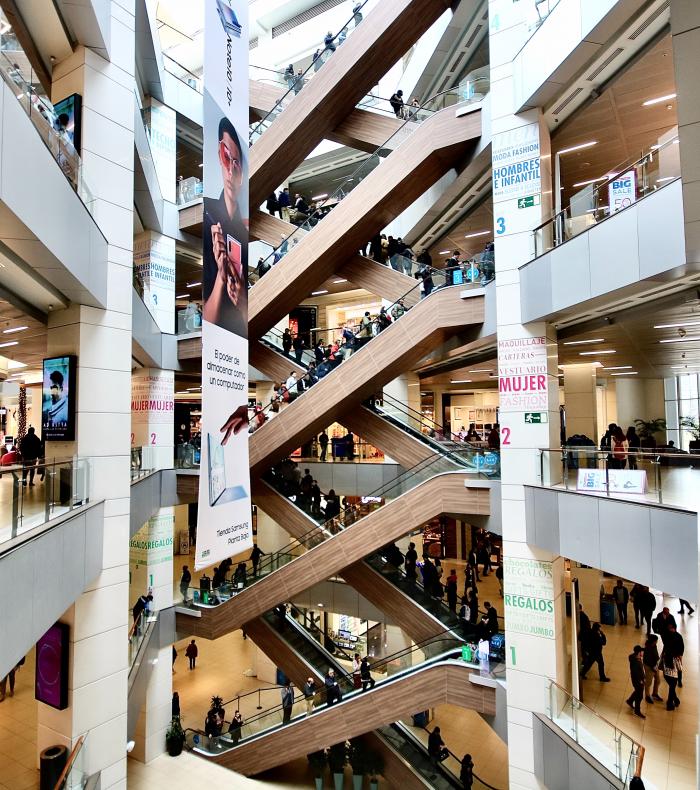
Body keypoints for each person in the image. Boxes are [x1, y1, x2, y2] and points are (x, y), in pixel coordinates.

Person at [202, 118, 247, 336]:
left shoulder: (244, 232)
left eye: (236, 163)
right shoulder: (207, 215)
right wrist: (221, 278)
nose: (230, 171)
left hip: (237, 343)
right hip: (218, 345)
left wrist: (243, 301)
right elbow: (207, 319)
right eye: (225, 156)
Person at [625, 645, 646, 718]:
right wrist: (641, 680)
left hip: (638, 680)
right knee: (639, 696)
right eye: (642, 652)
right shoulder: (635, 661)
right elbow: (635, 672)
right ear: (639, 652)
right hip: (638, 681)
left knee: (637, 691)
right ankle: (637, 711)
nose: (643, 653)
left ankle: (630, 701)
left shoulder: (636, 658)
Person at [643, 634, 663, 703]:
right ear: (653, 641)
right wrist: (653, 668)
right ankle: (647, 696)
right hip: (649, 667)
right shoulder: (647, 648)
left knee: (658, 680)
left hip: (655, 665)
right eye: (656, 640)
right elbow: (648, 660)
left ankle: (655, 693)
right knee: (648, 682)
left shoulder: (654, 645)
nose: (657, 642)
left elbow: (655, 655)